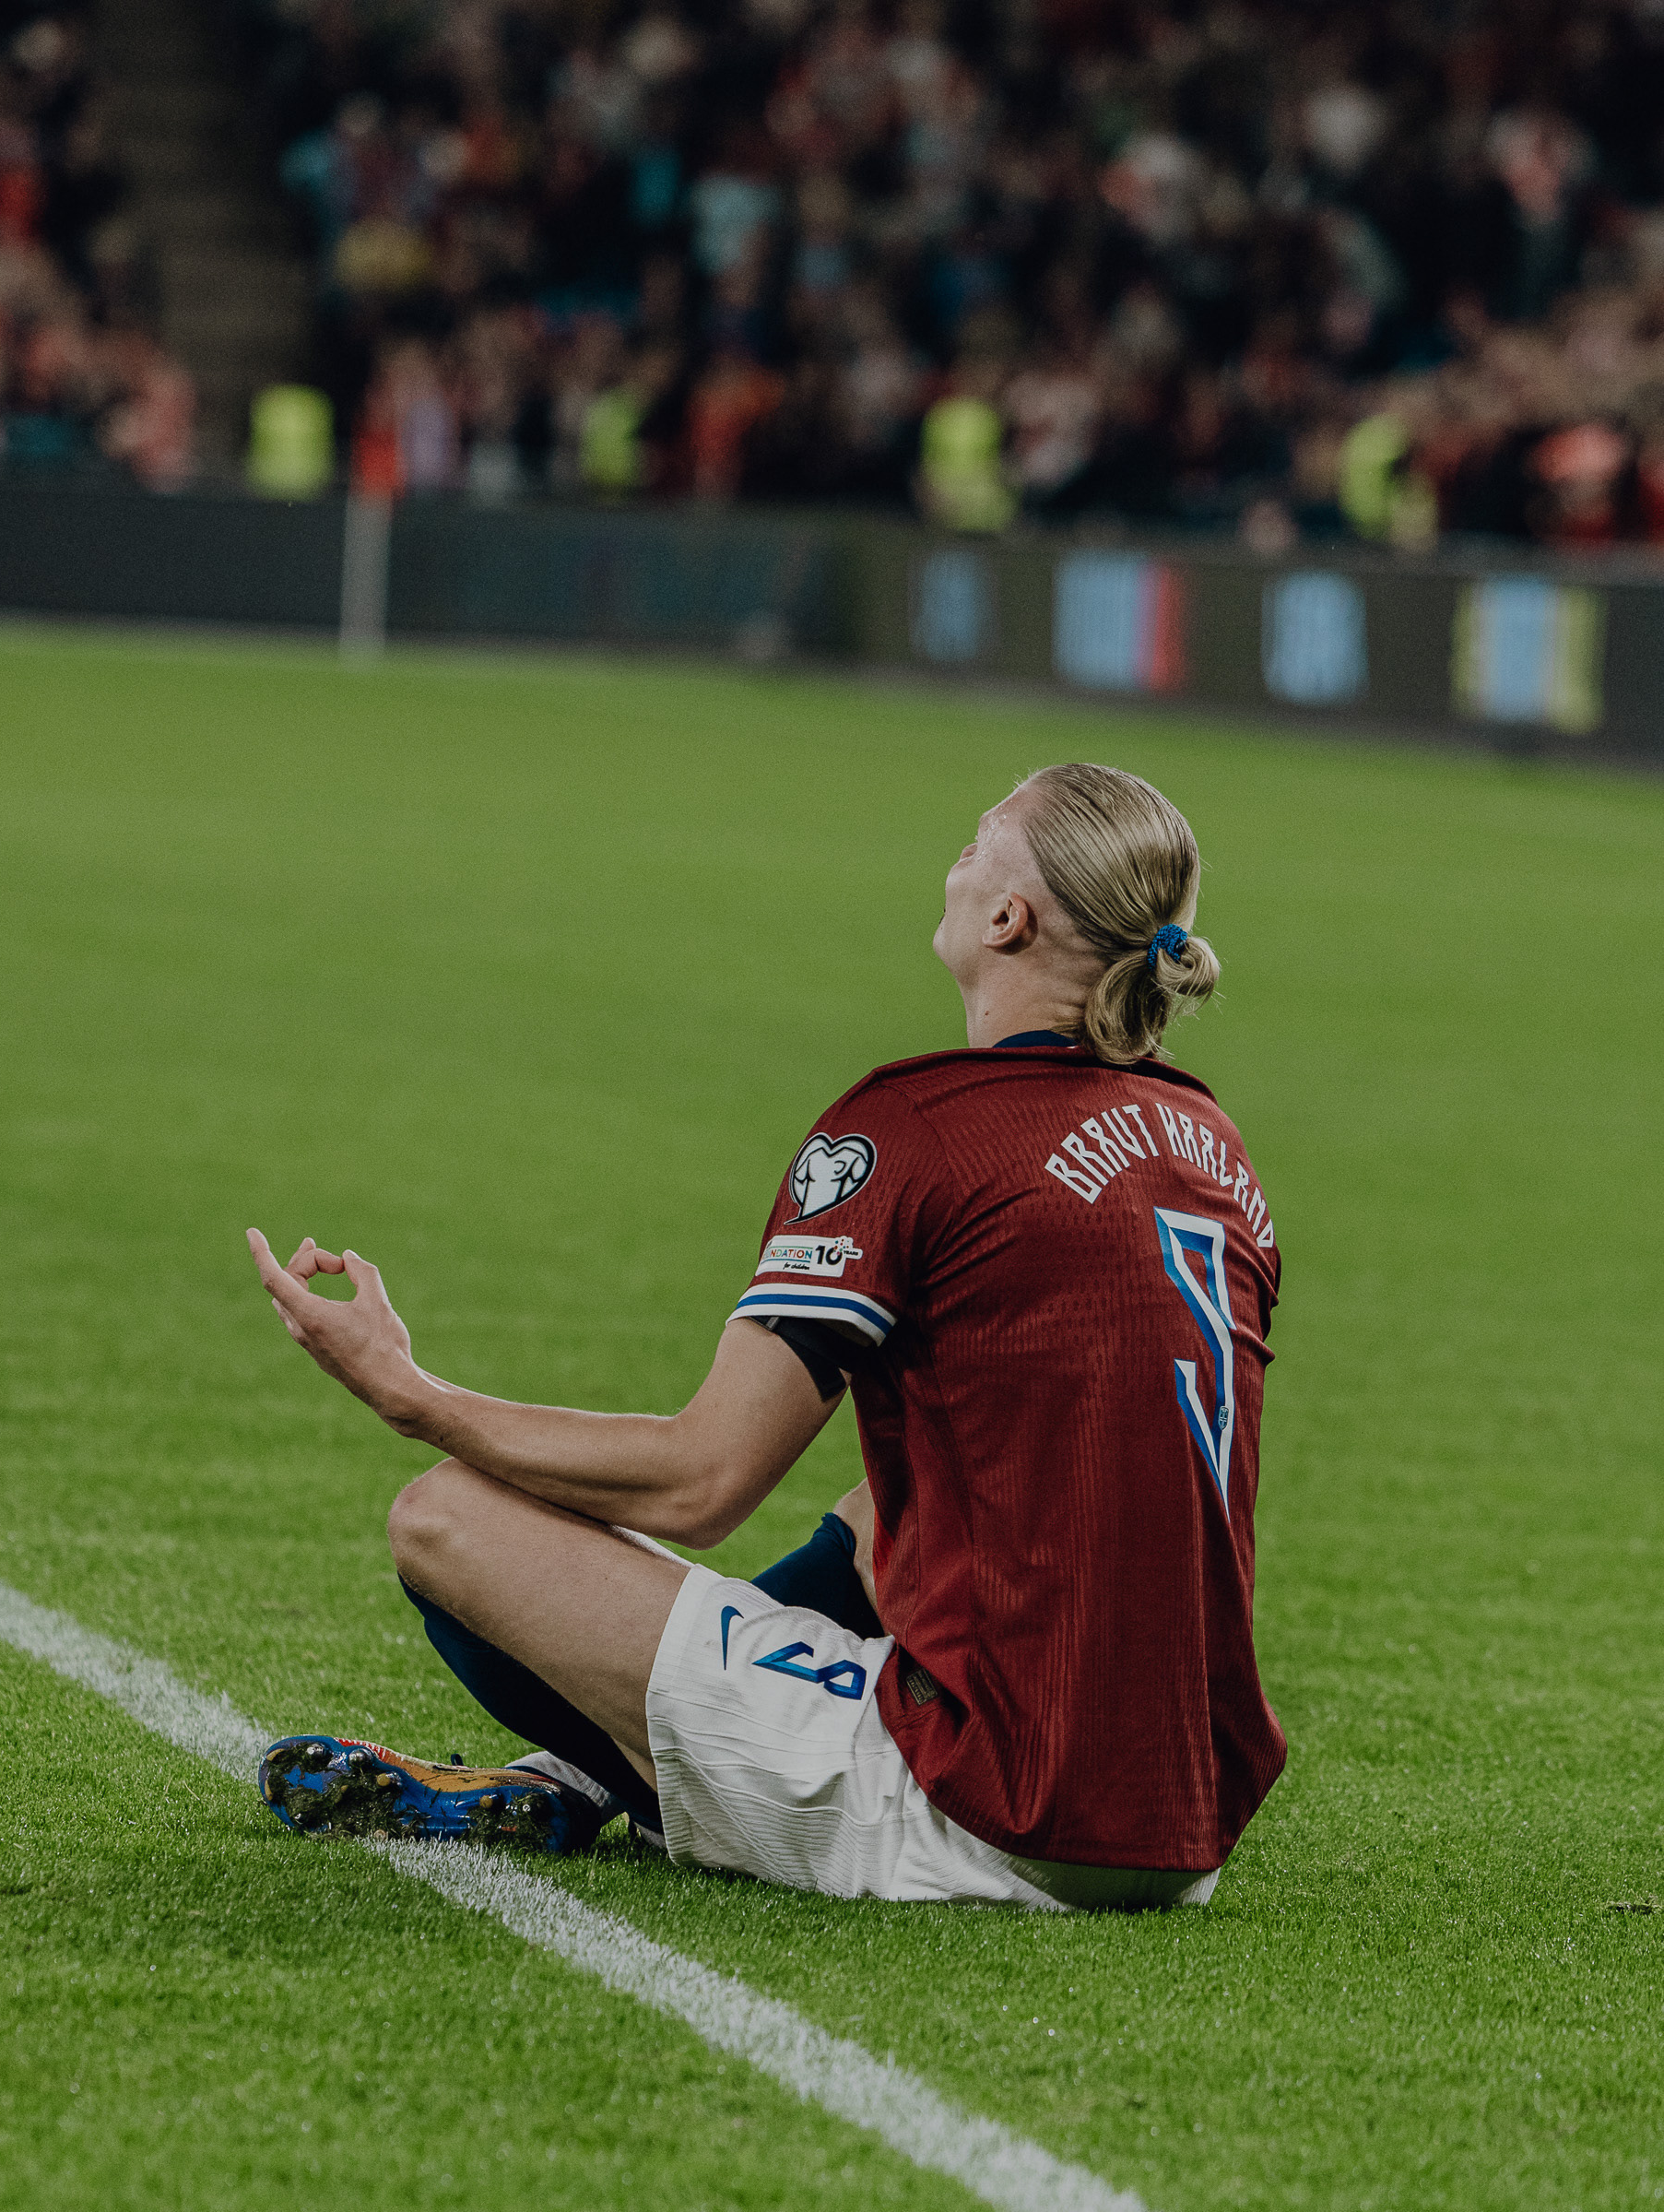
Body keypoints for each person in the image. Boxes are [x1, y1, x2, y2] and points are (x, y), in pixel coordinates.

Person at [247, 763, 1286, 1910]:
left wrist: (410, 1393)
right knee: (900, 1493)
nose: (957, 856)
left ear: (1007, 919)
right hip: (1184, 1822)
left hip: (990, 1811)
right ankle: (586, 1772)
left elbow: (700, 1483)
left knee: (446, 1520)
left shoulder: (915, 1127)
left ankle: (620, 1774)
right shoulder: (1210, 1146)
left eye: (978, 838)